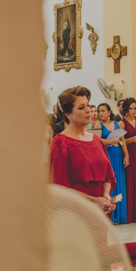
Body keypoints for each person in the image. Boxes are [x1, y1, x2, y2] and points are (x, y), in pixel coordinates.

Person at [49, 86, 117, 215]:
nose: (88, 111)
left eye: (88, 105)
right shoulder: (60, 143)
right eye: (81, 107)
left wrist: (106, 195)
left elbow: (108, 176)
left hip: (100, 211)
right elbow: (59, 188)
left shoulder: (96, 140)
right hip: (74, 212)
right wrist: (93, 200)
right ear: (67, 114)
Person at [97, 103, 128, 225]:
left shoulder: (117, 124)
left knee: (119, 181)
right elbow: (98, 141)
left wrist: (126, 155)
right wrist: (110, 141)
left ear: (109, 112)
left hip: (117, 153)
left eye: (103, 111)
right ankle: (109, 215)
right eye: (99, 111)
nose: (100, 113)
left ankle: (119, 216)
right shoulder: (97, 124)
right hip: (106, 154)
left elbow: (123, 141)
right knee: (109, 182)